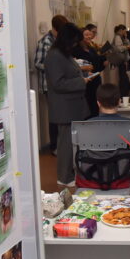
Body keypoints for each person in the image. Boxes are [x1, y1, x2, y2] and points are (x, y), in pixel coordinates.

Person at [45, 23, 98, 185]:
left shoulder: (64, 53)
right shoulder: (54, 55)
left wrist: (83, 75)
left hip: (73, 104)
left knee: (71, 143)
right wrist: (81, 81)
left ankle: (70, 173)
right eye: (74, 41)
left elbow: (69, 73)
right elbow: (58, 83)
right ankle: (64, 177)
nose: (75, 44)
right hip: (64, 107)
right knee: (65, 144)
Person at [34, 15, 68, 155]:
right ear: (54, 28)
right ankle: (54, 147)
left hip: (61, 83)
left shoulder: (59, 42)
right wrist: (53, 67)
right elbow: (37, 63)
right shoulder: (45, 42)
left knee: (62, 116)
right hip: (49, 86)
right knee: (54, 117)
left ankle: (62, 145)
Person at [73, 23, 105, 117]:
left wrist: (104, 63)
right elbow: (72, 67)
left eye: (90, 34)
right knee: (87, 110)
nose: (89, 36)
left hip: (95, 82)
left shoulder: (91, 49)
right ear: (80, 37)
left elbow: (97, 66)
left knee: (96, 109)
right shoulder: (75, 50)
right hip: (85, 84)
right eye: (86, 35)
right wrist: (84, 68)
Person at [112, 23, 130, 94]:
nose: (125, 32)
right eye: (124, 31)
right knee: (123, 76)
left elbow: (127, 43)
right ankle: (123, 93)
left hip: (123, 60)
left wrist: (126, 37)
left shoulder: (122, 37)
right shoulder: (117, 37)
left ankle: (125, 91)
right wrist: (127, 47)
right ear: (121, 30)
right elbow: (119, 48)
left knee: (124, 76)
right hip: (120, 60)